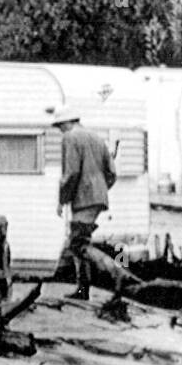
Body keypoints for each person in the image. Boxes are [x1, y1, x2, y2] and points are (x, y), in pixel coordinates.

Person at [52, 106, 120, 300]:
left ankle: (117, 275)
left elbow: (71, 173)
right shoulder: (97, 137)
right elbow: (112, 173)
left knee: (77, 245)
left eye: (60, 126)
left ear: (67, 122)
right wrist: (100, 190)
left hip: (83, 199)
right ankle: (83, 290)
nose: (60, 131)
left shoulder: (70, 137)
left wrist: (62, 199)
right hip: (98, 198)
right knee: (80, 243)